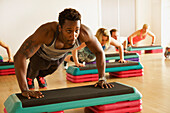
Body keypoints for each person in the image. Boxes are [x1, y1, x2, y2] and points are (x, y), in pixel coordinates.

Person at [14, 8, 114, 99]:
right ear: (60, 28)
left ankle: (40, 77)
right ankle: (30, 78)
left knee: (48, 70)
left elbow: (99, 51)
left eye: (76, 30)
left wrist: (102, 78)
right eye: (69, 31)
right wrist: (24, 89)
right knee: (35, 70)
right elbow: (20, 56)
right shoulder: (47, 32)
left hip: (59, 57)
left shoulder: (84, 33)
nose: (74, 35)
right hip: (40, 56)